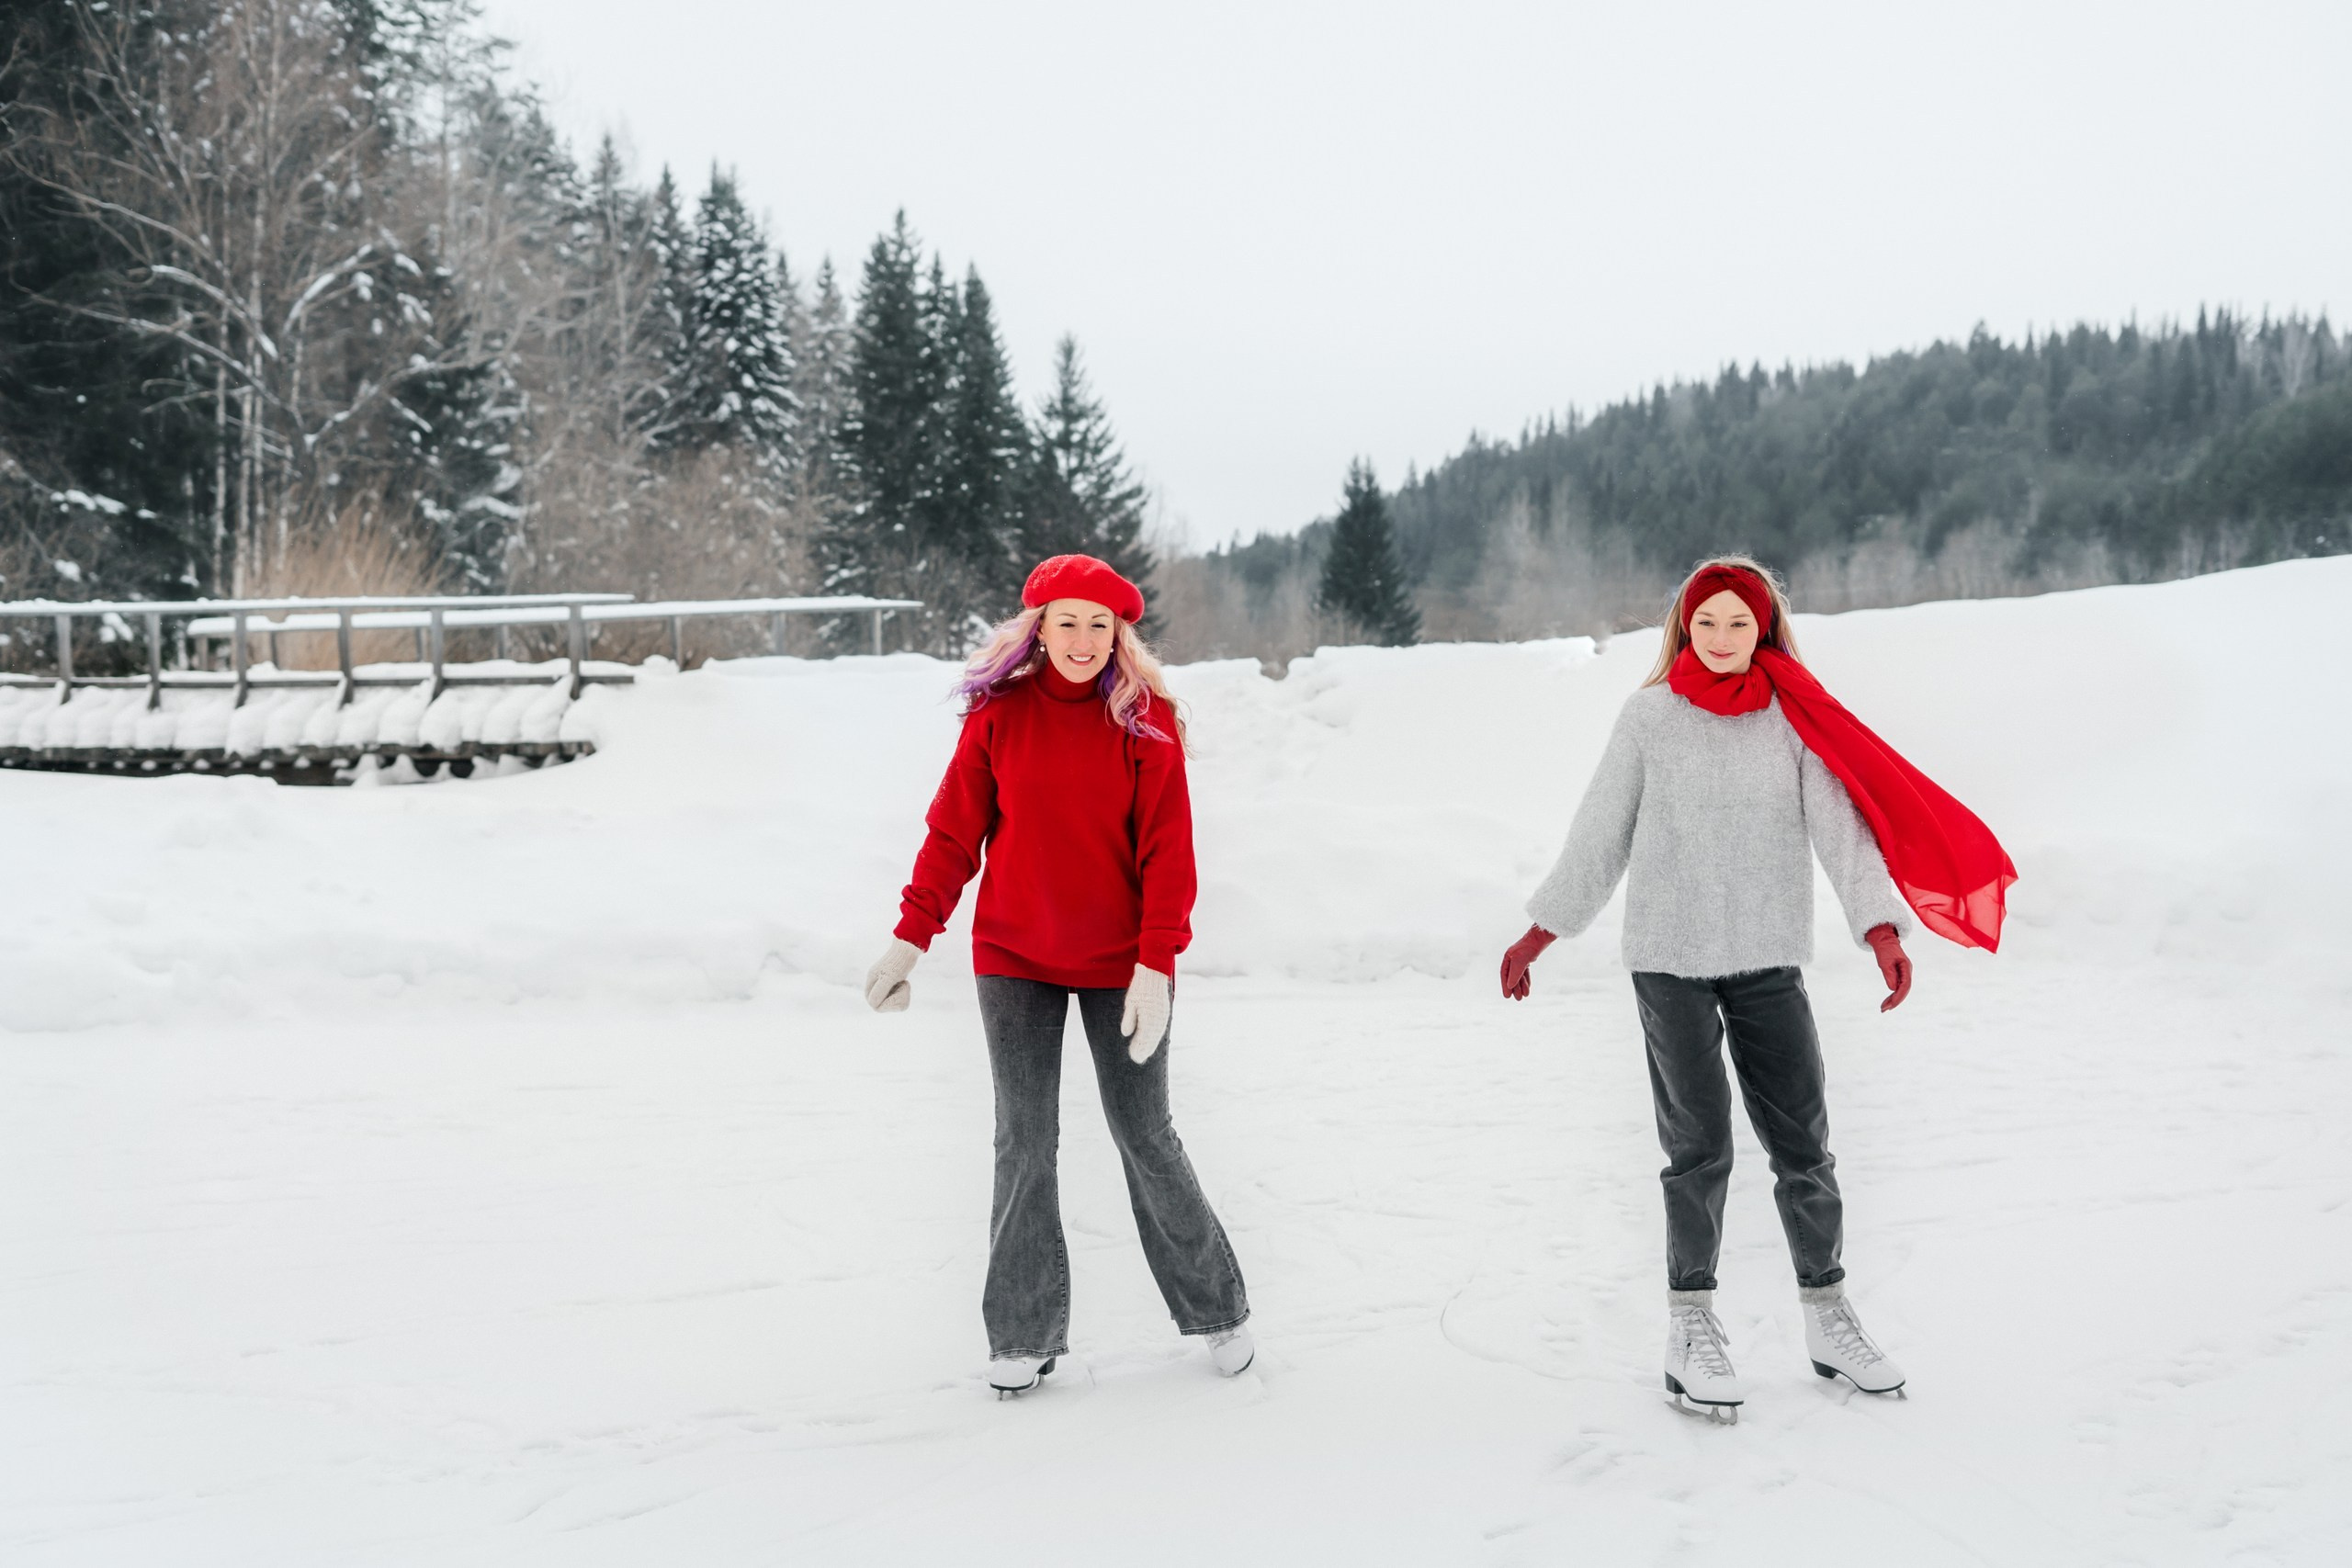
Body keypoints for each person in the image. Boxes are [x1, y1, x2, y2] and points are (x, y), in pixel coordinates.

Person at [1500, 555, 2014, 1424]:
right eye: (1708, 623)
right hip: (1670, 962)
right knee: (1698, 1151)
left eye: (1741, 622)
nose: (1724, 637)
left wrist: (1879, 927)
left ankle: (1827, 1315)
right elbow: (1601, 833)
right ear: (1684, 629)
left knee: (1804, 1148)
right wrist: (1542, 929)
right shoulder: (1649, 718)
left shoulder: (1789, 718)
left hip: (1768, 959)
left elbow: (1840, 829)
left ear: (1766, 627)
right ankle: (1691, 1328)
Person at [864, 554, 1253, 1397]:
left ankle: (1219, 1309)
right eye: (1067, 621)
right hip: (1015, 957)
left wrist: (1156, 962)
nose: (1082, 640)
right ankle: (1022, 1333)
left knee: (1144, 1131)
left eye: (1099, 625)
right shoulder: (997, 716)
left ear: (1120, 635)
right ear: (1037, 627)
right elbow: (952, 835)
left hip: (1124, 963)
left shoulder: (1146, 722)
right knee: (1024, 1138)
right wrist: (910, 939)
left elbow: (1169, 855)